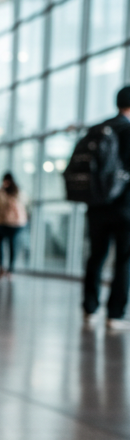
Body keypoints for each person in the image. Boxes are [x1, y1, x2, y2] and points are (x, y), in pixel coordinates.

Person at [83, 87, 130, 329]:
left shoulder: (98, 129)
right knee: (123, 260)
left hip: (97, 206)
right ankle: (115, 314)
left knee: (96, 256)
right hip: (124, 207)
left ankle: (90, 308)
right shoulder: (128, 131)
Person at [0, 172, 28, 278]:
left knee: (4, 246)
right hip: (15, 223)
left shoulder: (0, 192)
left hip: (4, 222)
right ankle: (8, 269)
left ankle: (5, 268)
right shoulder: (19, 192)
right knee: (11, 246)